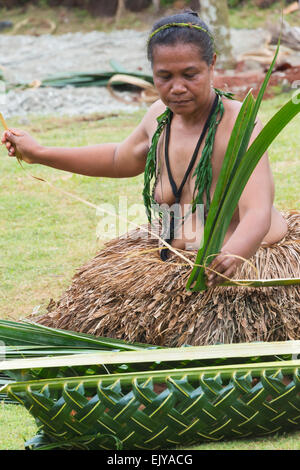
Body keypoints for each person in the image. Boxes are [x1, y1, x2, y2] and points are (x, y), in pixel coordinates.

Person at [2, 11, 300, 347]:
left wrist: (231, 254)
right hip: (177, 248)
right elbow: (119, 158)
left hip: (239, 257)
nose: (177, 88)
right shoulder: (159, 117)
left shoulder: (239, 124)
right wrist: (40, 152)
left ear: (212, 64)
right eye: (164, 76)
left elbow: (257, 212)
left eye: (190, 75)